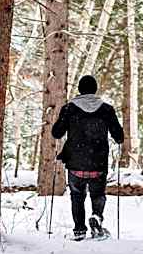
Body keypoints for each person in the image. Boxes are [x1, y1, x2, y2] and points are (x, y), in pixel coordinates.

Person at [51, 74, 124, 240]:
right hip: (98, 163)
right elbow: (119, 137)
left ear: (79, 90)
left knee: (77, 197)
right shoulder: (106, 109)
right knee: (98, 195)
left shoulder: (69, 109)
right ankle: (96, 217)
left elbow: (56, 133)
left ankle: (79, 230)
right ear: (95, 90)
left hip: (75, 163)